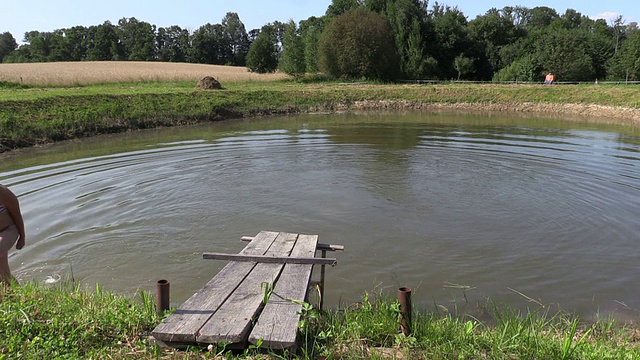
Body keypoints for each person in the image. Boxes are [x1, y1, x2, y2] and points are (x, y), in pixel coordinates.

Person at [0, 184, 25, 286]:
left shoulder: (3, 193)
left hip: (9, 230)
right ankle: (16, 293)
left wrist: (22, 238)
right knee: (4, 272)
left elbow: (17, 216)